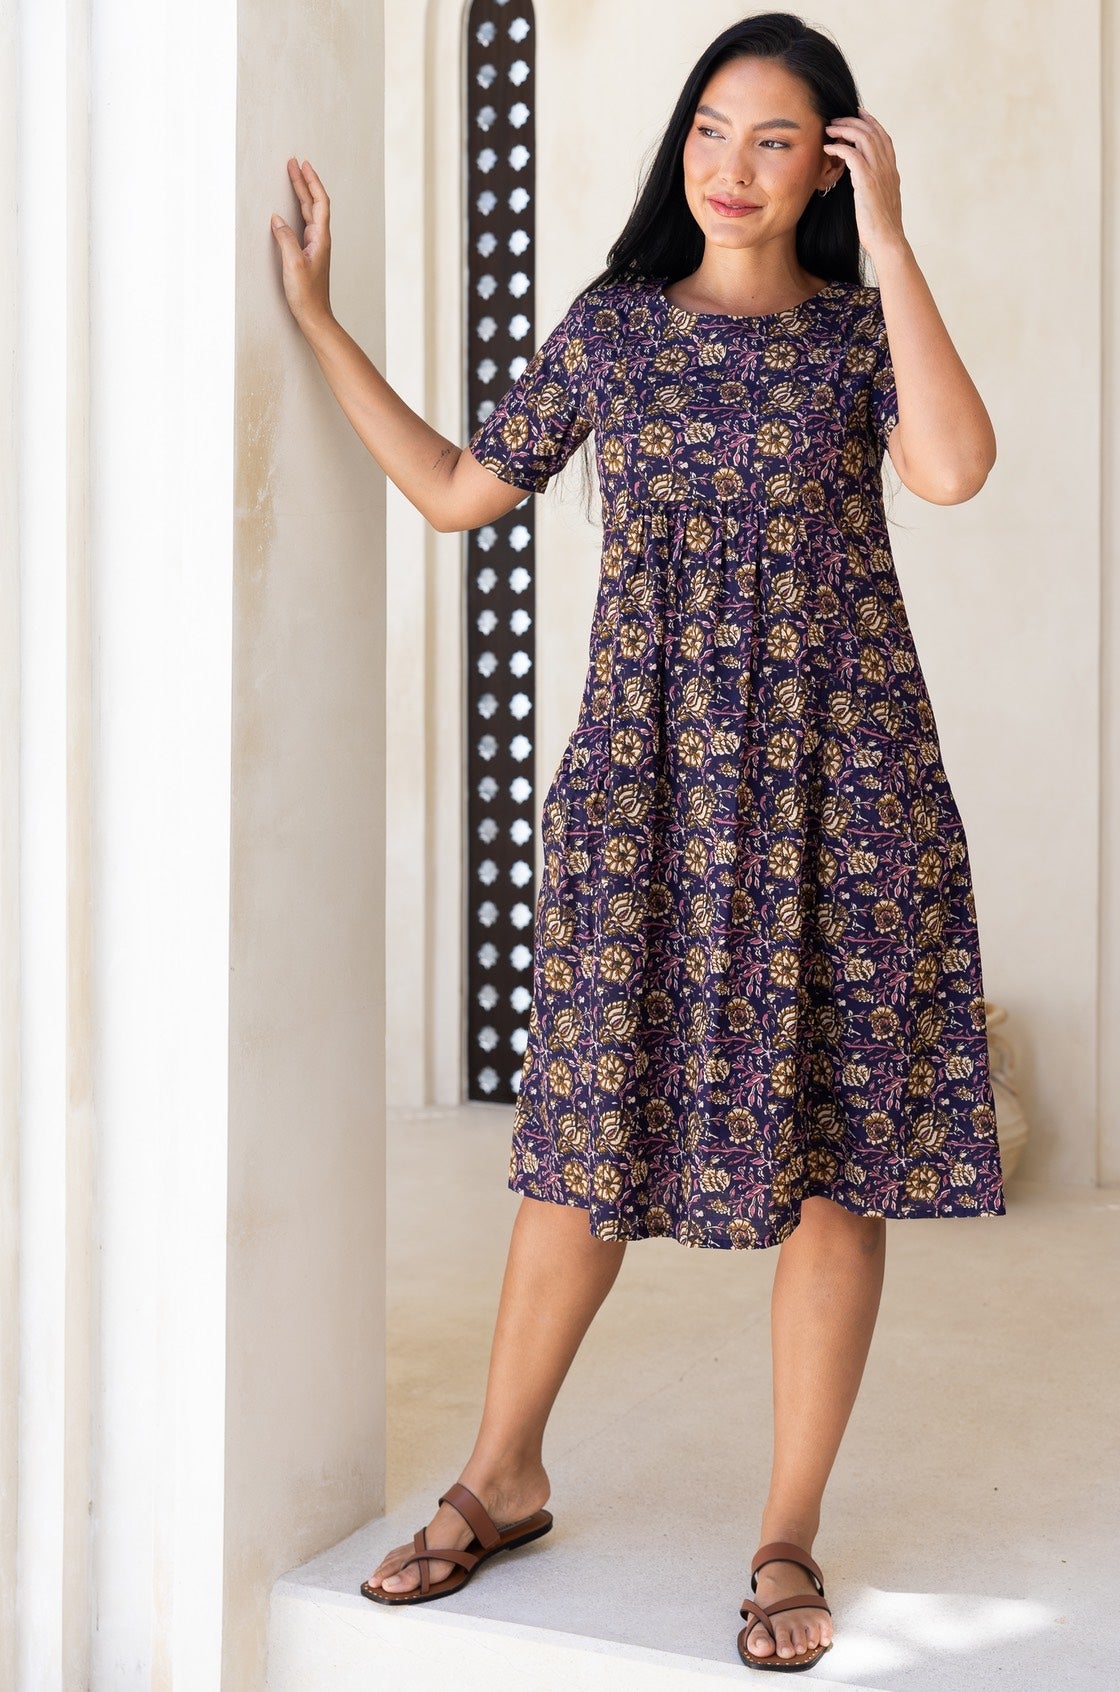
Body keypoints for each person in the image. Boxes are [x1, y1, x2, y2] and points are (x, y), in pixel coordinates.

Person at [270, 9, 1005, 1674]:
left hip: (843, 790)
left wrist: (891, 245)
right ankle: (501, 1472)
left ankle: (785, 1533)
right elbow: (465, 489)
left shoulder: (853, 330)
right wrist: (318, 324)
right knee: (582, 1140)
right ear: (680, 147)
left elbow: (954, 469)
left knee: (829, 1167)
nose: (732, 171)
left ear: (828, 161)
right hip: (648, 790)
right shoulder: (617, 328)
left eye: (775, 143)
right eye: (709, 133)